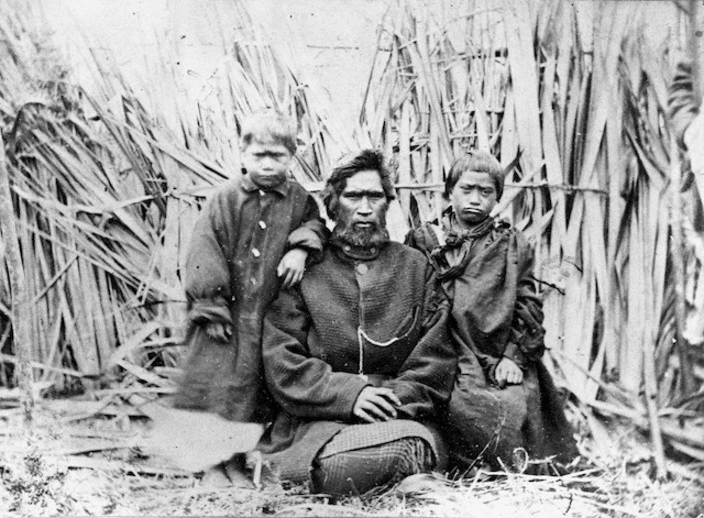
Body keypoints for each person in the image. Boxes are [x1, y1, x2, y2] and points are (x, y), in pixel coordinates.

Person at [257, 149, 457, 496]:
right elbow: (282, 361)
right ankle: (399, 481)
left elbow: (435, 359)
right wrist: (351, 395)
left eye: (375, 196)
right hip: (317, 424)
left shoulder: (414, 268)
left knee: (416, 443)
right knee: (355, 460)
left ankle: (394, 479)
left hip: (399, 416)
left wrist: (389, 399)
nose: (365, 208)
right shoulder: (306, 271)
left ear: (387, 203)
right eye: (353, 196)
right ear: (333, 204)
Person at [405, 151, 577, 473]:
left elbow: (527, 302)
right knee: (456, 404)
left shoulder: (511, 244)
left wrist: (514, 356)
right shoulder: (424, 239)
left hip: (496, 350)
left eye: (486, 192)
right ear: (449, 191)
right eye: (467, 189)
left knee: (508, 409)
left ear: (497, 197)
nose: (475, 200)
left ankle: (504, 472)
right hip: (441, 348)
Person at [174, 109, 329, 424]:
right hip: (227, 312)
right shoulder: (226, 198)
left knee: (257, 385)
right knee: (214, 379)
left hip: (269, 313)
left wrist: (300, 249)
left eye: (278, 156)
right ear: (243, 154)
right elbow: (205, 248)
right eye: (259, 155)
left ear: (292, 157)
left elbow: (316, 225)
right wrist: (210, 305)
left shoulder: (299, 200)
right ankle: (210, 460)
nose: (268, 164)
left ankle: (245, 453)